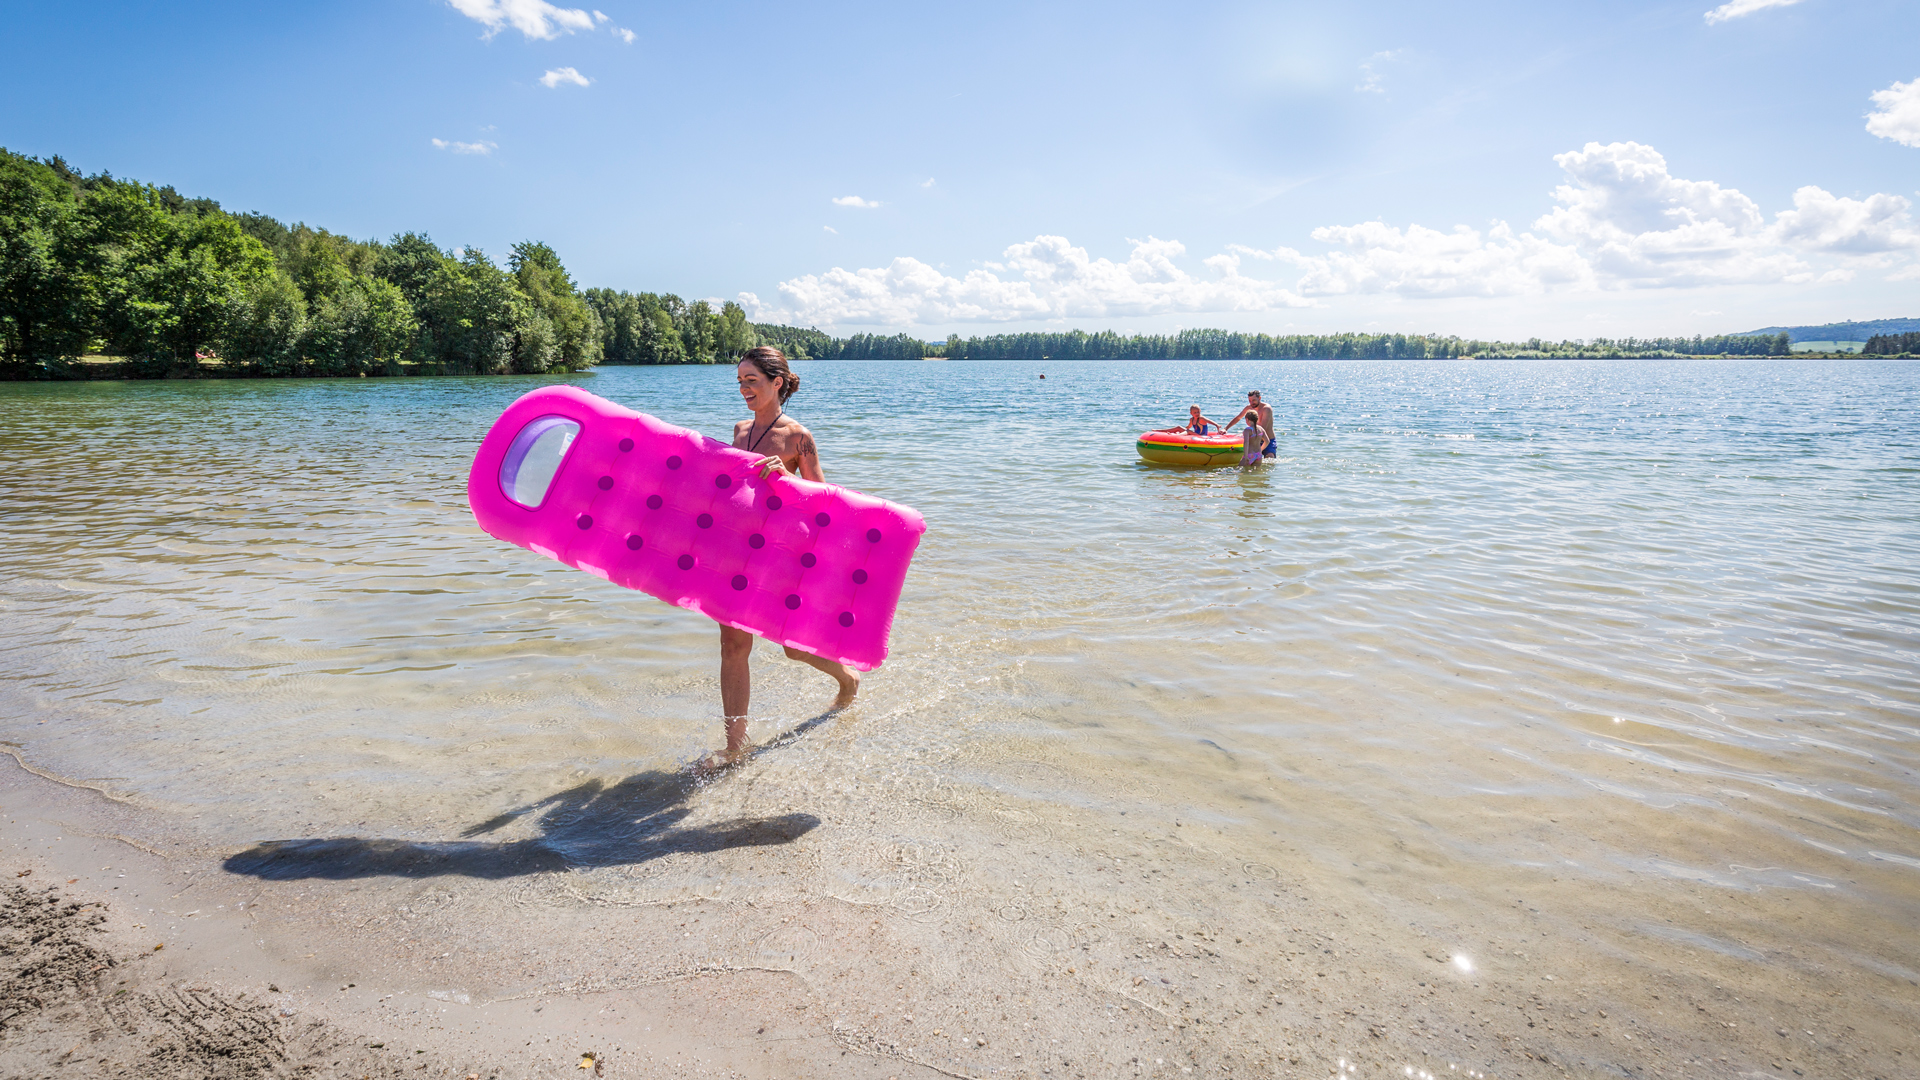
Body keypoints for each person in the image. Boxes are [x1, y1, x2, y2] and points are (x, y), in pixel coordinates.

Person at [710, 346, 860, 769]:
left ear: (777, 382)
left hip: (781, 555)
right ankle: (735, 747)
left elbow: (825, 501)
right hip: (738, 551)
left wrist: (785, 476)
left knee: (792, 647)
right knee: (732, 645)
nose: (743, 389)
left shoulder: (798, 437)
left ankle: (847, 678)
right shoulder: (739, 430)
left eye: (751, 381)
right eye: (739, 381)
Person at [1225, 391, 1277, 458]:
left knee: (1270, 458)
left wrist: (1246, 434)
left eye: (1254, 400)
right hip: (1254, 440)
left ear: (1259, 398)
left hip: (1267, 440)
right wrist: (1226, 428)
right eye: (1249, 400)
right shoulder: (1249, 408)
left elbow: (1262, 428)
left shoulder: (1266, 409)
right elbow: (1238, 417)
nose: (1251, 403)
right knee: (1249, 460)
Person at [1161, 405, 1225, 435]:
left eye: (1198, 412)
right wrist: (1182, 430)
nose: (1197, 414)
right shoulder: (1191, 420)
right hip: (1195, 434)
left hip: (1201, 437)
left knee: (1188, 431)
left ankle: (1175, 436)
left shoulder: (1201, 418)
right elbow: (1188, 427)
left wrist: (1217, 425)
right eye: (1195, 412)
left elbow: (1210, 421)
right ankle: (1159, 431)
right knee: (1179, 427)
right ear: (1191, 413)